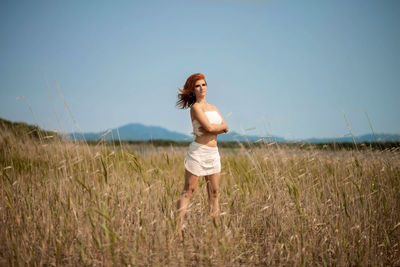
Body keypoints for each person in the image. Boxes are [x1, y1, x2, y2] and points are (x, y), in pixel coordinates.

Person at [176, 73, 229, 228]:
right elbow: (211, 127)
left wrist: (217, 129)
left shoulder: (213, 108)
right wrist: (219, 128)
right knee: (189, 190)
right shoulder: (195, 108)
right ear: (193, 90)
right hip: (198, 152)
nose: (201, 88)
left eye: (203, 85)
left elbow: (224, 126)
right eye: (197, 86)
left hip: (213, 154)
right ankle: (177, 229)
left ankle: (216, 229)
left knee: (214, 193)